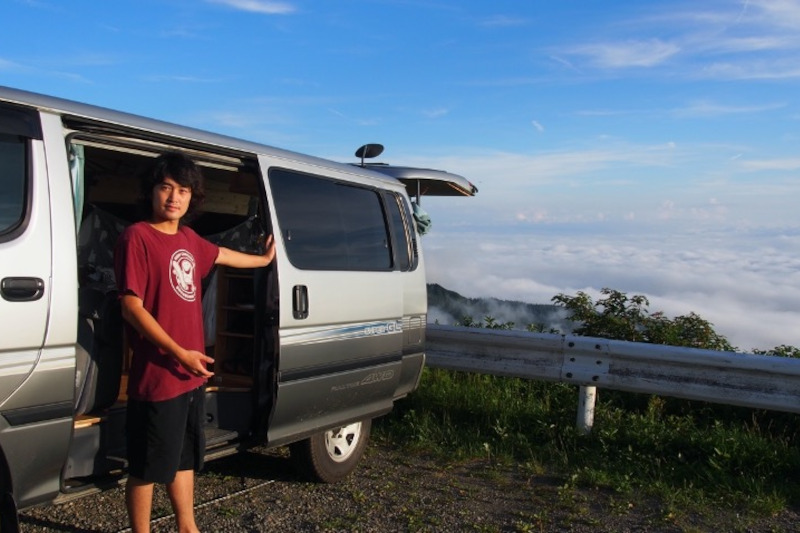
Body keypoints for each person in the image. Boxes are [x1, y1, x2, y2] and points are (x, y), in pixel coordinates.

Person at [114, 151, 275, 533]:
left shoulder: (188, 238)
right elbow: (130, 307)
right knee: (147, 466)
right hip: (159, 375)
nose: (174, 197)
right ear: (151, 191)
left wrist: (264, 260)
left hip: (190, 374)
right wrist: (178, 352)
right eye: (166, 187)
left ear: (192, 197)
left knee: (184, 458)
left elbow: (222, 255)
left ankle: (188, 527)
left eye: (183, 190)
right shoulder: (137, 237)